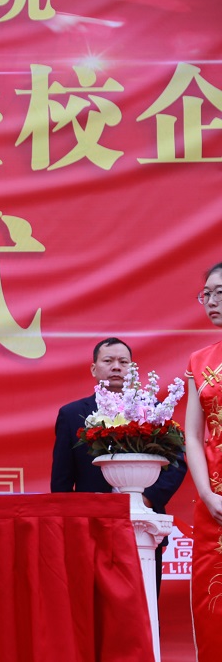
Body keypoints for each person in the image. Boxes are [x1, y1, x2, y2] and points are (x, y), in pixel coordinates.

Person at [51, 337, 186, 588]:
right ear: (94, 369)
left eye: (124, 362)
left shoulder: (153, 410)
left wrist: (143, 501)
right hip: (91, 527)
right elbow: (61, 481)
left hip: (145, 525)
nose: (116, 367)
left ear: (132, 369)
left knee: (145, 599)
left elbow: (177, 464)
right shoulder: (71, 414)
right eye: (108, 361)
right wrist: (69, 525)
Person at [184, 262, 222, 659]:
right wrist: (207, 495)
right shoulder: (200, 361)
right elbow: (193, 436)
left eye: (220, 293)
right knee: (215, 602)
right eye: (206, 294)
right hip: (216, 497)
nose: (211, 301)